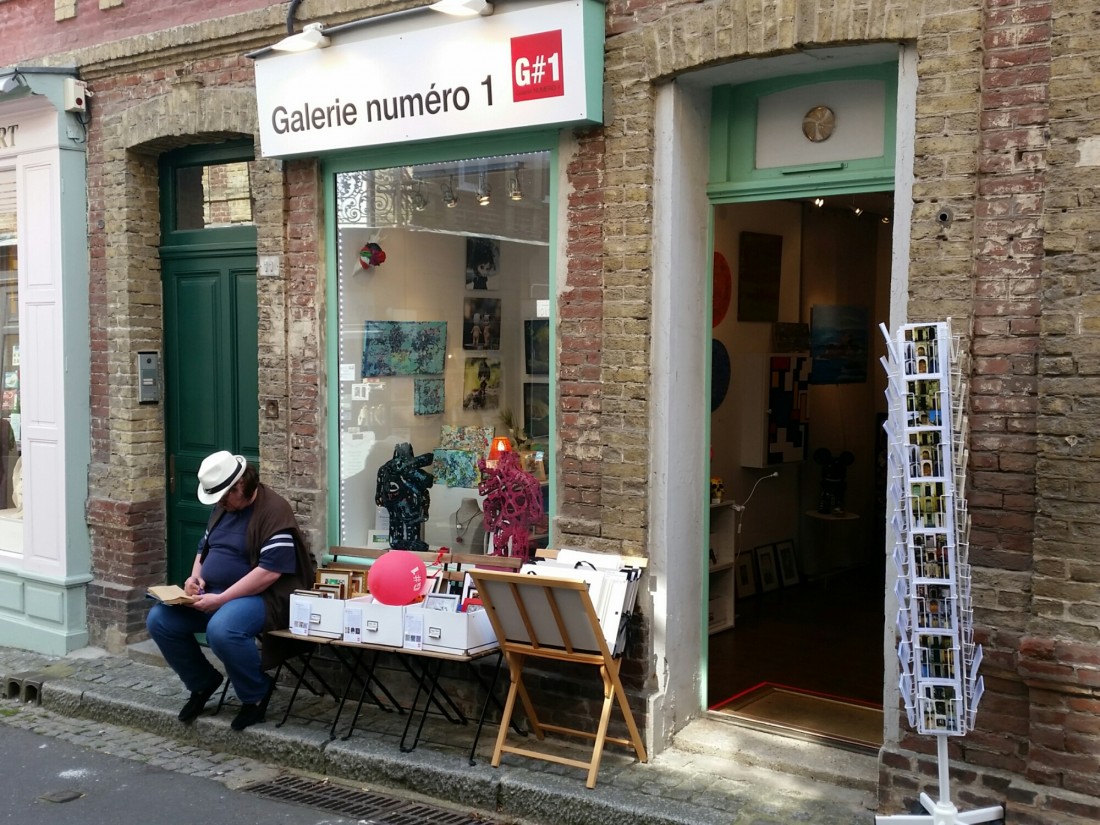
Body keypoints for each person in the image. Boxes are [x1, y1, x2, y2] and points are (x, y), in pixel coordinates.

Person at [146, 451, 315, 731]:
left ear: (240, 485)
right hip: (213, 593)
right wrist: (194, 579)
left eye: (225, 496)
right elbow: (204, 549)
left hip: (262, 597)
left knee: (222, 630)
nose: (221, 503)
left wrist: (222, 599)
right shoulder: (224, 508)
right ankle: (202, 683)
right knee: (160, 620)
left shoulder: (273, 510)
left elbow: (270, 572)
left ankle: (256, 693)